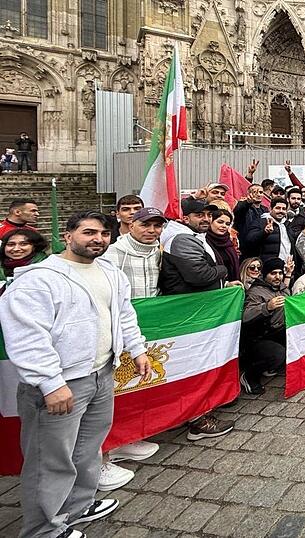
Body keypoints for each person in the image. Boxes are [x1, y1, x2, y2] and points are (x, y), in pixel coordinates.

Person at [0, 210, 150, 538]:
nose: (98, 239)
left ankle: (78, 507)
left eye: (104, 234)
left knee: (87, 448)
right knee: (49, 460)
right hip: (60, 383)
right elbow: (26, 336)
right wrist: (50, 383)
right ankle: (44, 530)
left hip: (101, 374)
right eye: (89, 232)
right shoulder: (38, 278)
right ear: (68, 236)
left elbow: (124, 314)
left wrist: (137, 349)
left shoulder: (110, 272)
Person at [98, 206, 168, 491]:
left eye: (157, 226)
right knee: (113, 391)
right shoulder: (112, 254)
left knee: (137, 386)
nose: (151, 231)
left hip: (147, 326)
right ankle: (104, 455)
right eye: (145, 225)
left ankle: (127, 438)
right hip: (118, 329)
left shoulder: (158, 251)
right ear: (131, 225)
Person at [158, 198, 234, 440]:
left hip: (197, 310)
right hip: (190, 312)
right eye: (199, 215)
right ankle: (198, 420)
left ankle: (191, 414)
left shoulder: (192, 236)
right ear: (185, 217)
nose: (205, 219)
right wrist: (223, 271)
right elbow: (199, 275)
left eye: (208, 215)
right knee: (194, 365)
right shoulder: (181, 239)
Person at [239, 257, 291, 395]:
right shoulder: (255, 292)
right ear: (265, 274)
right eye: (273, 273)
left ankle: (272, 366)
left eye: (280, 273)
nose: (277, 277)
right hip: (258, 337)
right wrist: (267, 307)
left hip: (277, 331)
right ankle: (249, 376)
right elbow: (246, 316)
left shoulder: (282, 288)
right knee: (278, 354)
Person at [245, 198, 292, 263]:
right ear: (271, 209)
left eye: (283, 209)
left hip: (286, 265)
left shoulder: (288, 225)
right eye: (278, 208)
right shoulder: (260, 222)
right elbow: (249, 240)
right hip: (267, 265)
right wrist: (265, 232)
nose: (281, 211)